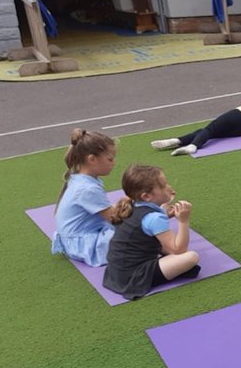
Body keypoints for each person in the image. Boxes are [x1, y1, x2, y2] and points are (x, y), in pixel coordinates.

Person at [102, 164, 200, 299]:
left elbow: (147, 225)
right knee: (191, 257)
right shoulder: (154, 218)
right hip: (134, 277)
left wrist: (165, 209)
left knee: (170, 251)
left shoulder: (132, 205)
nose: (169, 187)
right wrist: (183, 221)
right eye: (164, 185)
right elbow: (179, 250)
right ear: (147, 196)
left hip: (116, 273)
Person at [52, 128, 117, 266]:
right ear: (92, 159)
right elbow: (115, 219)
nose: (114, 163)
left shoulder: (79, 178)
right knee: (138, 234)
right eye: (110, 159)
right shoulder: (88, 189)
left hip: (73, 239)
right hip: (83, 245)